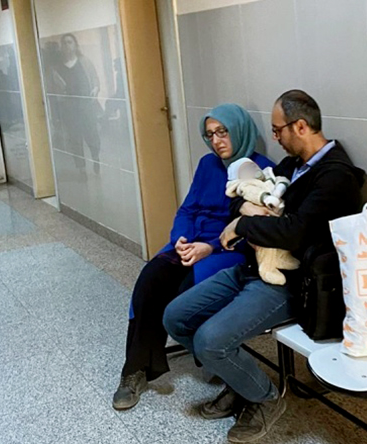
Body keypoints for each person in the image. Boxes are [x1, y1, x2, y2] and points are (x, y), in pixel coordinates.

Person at [163, 90, 365, 443]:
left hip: (290, 282)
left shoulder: (336, 176)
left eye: (277, 130)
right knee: (176, 317)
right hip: (253, 266)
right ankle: (241, 382)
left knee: (210, 341)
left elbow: (295, 231)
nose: (274, 137)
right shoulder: (291, 166)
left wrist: (244, 225)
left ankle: (266, 399)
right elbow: (241, 196)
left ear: (300, 127)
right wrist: (246, 215)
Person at [112, 103, 274, 411]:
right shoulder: (207, 164)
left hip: (227, 249)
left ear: (239, 130)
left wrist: (209, 247)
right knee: (150, 280)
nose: (216, 141)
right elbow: (187, 208)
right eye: (210, 134)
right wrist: (181, 239)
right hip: (191, 242)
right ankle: (135, 369)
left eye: (223, 132)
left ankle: (218, 362)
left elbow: (255, 228)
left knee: (186, 288)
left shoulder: (261, 170)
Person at [54, 33, 103, 174]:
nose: (67, 45)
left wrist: (95, 89)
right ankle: (81, 168)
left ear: (75, 45)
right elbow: (56, 89)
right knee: (74, 138)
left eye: (70, 42)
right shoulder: (57, 68)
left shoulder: (85, 62)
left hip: (86, 105)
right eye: (64, 43)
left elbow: (95, 79)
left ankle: (96, 158)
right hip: (69, 108)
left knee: (91, 134)